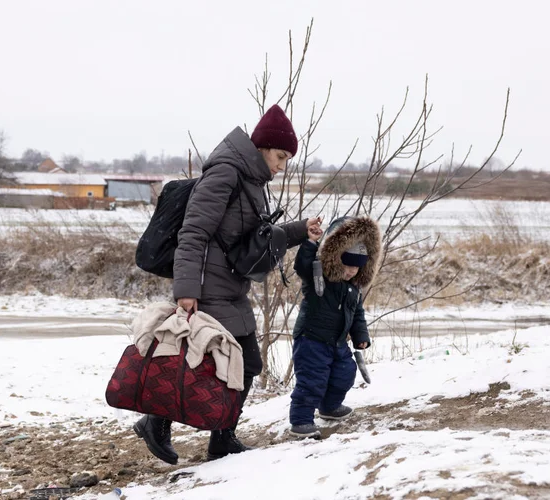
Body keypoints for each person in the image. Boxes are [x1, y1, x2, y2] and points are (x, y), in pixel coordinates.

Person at [134, 104, 323, 463]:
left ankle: (220, 437)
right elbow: (193, 232)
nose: (282, 165)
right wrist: (186, 290)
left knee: (240, 365)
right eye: (280, 156)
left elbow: (255, 237)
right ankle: (157, 423)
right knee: (224, 362)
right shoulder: (225, 173)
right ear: (262, 147)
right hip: (207, 287)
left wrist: (301, 230)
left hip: (232, 287)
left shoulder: (252, 181)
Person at [288, 215, 381, 439]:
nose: (350, 272)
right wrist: (310, 243)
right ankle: (301, 421)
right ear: (336, 259)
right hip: (312, 339)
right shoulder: (318, 275)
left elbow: (356, 313)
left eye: (356, 269)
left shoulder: (353, 288)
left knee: (345, 374)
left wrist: (361, 335)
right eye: (347, 266)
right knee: (312, 380)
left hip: (338, 341)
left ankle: (329, 407)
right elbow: (302, 266)